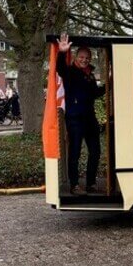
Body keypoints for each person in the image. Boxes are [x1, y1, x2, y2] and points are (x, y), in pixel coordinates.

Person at [57, 33, 105, 195]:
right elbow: (60, 68)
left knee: (96, 152)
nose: (85, 60)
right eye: (82, 57)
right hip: (75, 118)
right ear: (76, 57)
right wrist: (62, 51)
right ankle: (75, 185)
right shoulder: (70, 72)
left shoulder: (90, 75)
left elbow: (95, 93)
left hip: (90, 118)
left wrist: (109, 85)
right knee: (75, 152)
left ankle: (91, 183)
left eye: (87, 57)